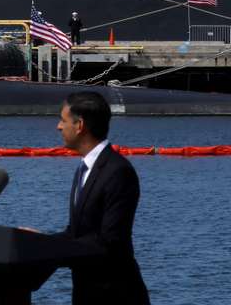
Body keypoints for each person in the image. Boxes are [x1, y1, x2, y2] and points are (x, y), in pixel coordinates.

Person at [54, 91, 149, 304]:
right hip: (87, 293)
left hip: (116, 295)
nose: (59, 126)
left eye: (63, 120)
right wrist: (38, 242)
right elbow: (77, 234)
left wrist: (51, 250)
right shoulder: (83, 169)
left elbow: (109, 242)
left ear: (79, 126)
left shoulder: (117, 171)